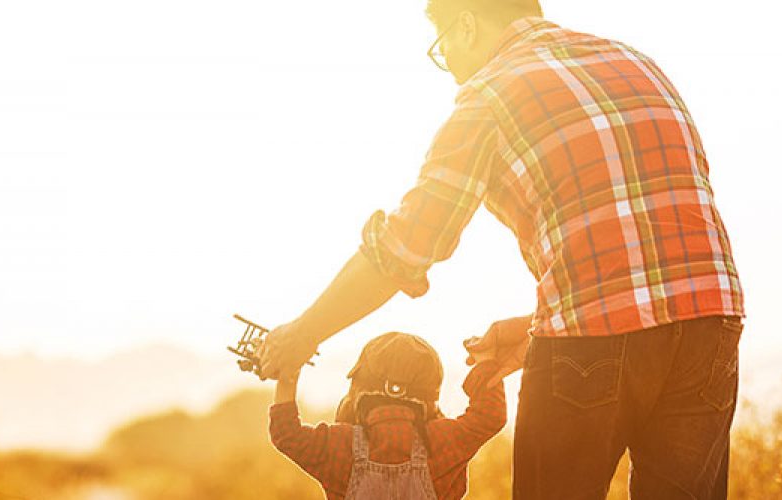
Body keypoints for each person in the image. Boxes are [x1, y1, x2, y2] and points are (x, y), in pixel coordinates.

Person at [259, 0, 745, 497]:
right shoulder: (637, 64)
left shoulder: (488, 96)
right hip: (712, 323)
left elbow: (407, 248)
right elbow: (647, 243)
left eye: (441, 46)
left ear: (466, 25)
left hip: (591, 340)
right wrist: (537, 327)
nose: (446, 65)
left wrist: (304, 333)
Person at [268, 332, 506, 500]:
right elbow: (489, 416)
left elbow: (287, 434)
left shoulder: (340, 445)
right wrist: (485, 361)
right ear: (430, 396)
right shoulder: (442, 441)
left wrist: (288, 376)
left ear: (359, 389)